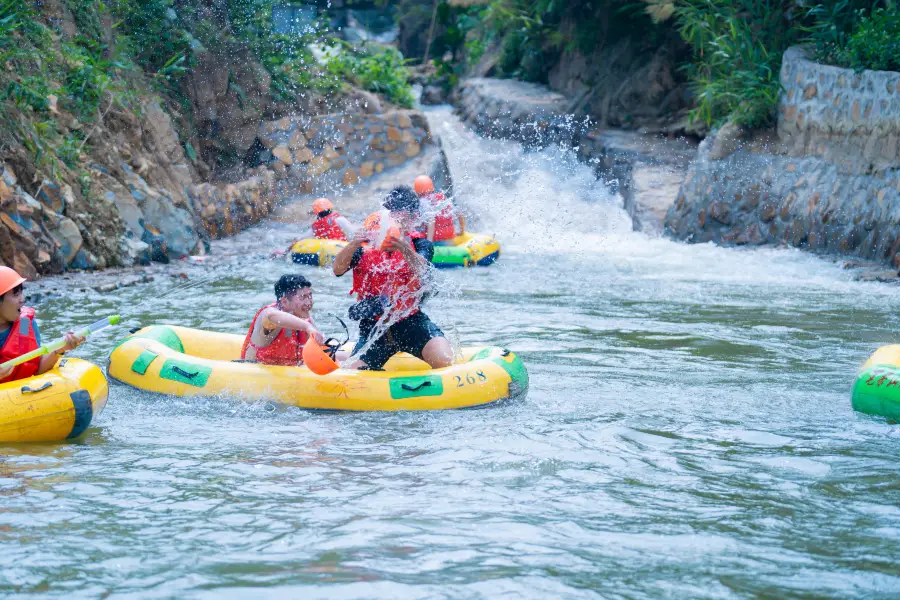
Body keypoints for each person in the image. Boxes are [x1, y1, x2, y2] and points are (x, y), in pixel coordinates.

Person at [333, 185, 453, 371]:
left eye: (401, 217)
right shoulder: (365, 246)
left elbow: (423, 271)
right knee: (354, 372)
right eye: (392, 216)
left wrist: (404, 248)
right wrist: (353, 243)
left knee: (444, 361)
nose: (395, 223)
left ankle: (344, 353)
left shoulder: (421, 243)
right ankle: (339, 353)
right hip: (375, 327)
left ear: (414, 218)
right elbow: (337, 270)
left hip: (411, 322)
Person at [0, 266, 84, 383]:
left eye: (21, 293)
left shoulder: (24, 324)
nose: (22, 299)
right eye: (16, 295)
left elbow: (36, 367)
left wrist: (60, 348)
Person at [241, 274, 325, 366]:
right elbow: (271, 315)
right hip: (256, 375)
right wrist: (307, 327)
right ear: (284, 301)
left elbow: (322, 351)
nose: (309, 302)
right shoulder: (271, 315)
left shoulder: (306, 321)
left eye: (310, 296)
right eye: (302, 297)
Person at [414, 175, 465, 244]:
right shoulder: (442, 197)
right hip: (450, 237)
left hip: (437, 240)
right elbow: (460, 214)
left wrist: (429, 242)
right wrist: (462, 232)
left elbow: (431, 221)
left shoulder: (423, 202)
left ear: (416, 191)